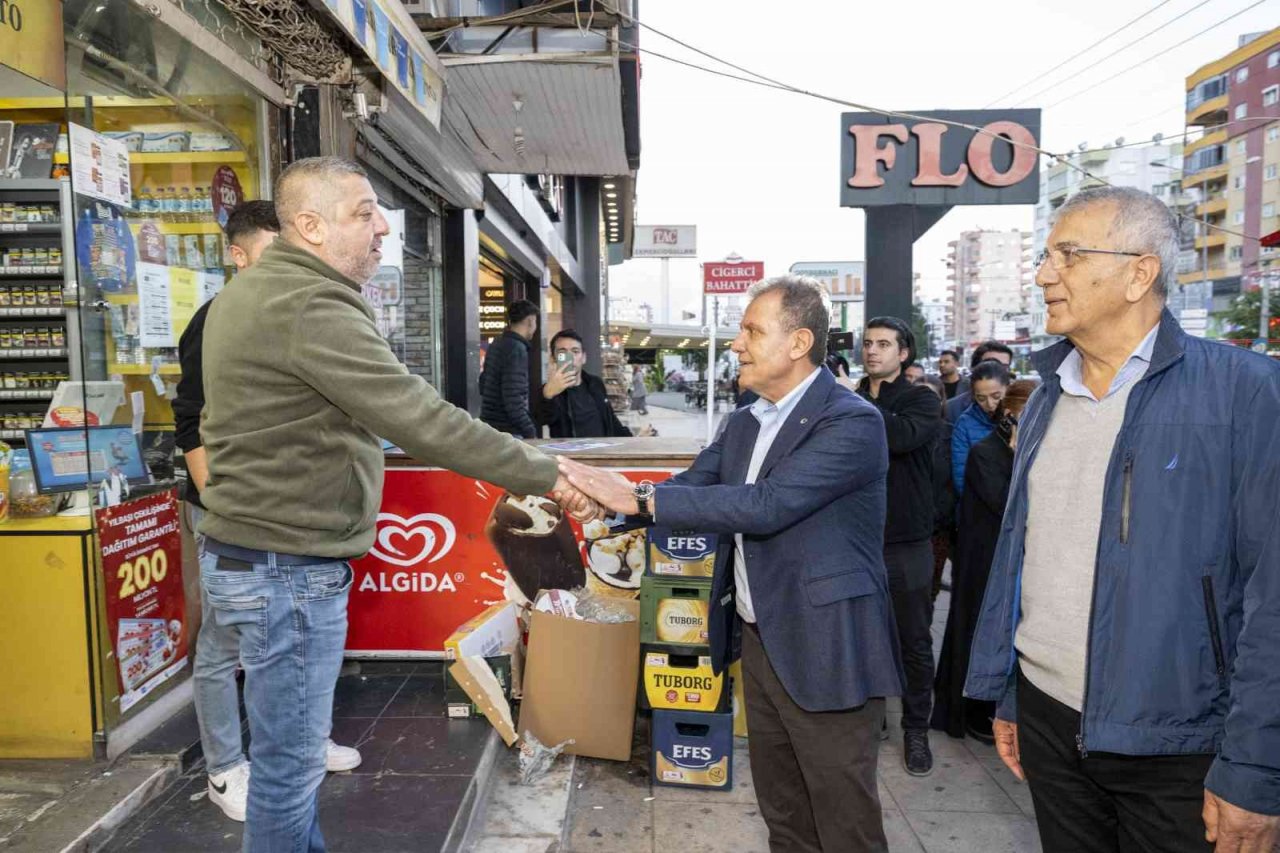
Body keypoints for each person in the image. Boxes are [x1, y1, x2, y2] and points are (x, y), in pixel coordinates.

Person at [198, 156, 589, 853]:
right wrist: (550, 471)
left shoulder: (260, 292)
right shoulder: (308, 303)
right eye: (364, 212)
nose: (383, 227)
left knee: (289, 768)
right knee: (288, 773)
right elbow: (423, 419)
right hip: (284, 571)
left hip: (264, 561)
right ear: (310, 226)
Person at [965, 186, 1280, 853]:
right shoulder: (1050, 394)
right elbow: (1030, 556)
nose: (1045, 273)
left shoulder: (1247, 393)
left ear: (1140, 272)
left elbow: (1272, 598)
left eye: (1069, 255)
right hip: (1051, 724)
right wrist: (1014, 694)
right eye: (1046, 255)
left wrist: (1256, 765)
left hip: (1182, 744)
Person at [559, 275, 903, 853]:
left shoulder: (851, 421)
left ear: (797, 343)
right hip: (759, 636)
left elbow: (768, 505)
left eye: (751, 331)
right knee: (784, 812)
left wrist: (636, 498)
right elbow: (692, 488)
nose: (737, 344)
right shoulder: (746, 417)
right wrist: (608, 503)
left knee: (845, 823)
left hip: (827, 645)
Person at [174, 201, 363, 822]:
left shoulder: (284, 309)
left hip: (273, 521)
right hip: (231, 517)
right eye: (269, 250)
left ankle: (303, 740)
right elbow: (189, 418)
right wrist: (218, 499)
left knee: (290, 646)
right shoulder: (220, 317)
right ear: (238, 255)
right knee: (223, 646)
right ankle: (226, 767)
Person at [856, 317, 942, 776]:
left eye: (884, 344)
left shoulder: (920, 401)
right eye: (868, 343)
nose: (873, 351)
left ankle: (916, 729)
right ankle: (871, 722)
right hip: (856, 540)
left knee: (913, 640)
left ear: (903, 353)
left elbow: (903, 436)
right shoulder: (850, 398)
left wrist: (852, 407)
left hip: (906, 542)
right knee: (860, 635)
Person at [932, 379, 1036, 745]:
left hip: (1017, 562)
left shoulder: (1033, 452)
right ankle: (975, 712)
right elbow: (1011, 506)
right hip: (984, 561)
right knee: (977, 632)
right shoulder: (985, 453)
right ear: (1010, 416)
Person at [534, 330, 632, 438]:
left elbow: (610, 420)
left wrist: (633, 439)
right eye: (563, 353)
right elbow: (539, 419)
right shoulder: (550, 391)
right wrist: (547, 395)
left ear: (583, 357)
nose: (570, 358)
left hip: (601, 452)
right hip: (571, 454)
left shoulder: (595, 384)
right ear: (553, 358)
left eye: (575, 352)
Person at [480, 299, 539, 438]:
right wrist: (530, 431)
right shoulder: (516, 349)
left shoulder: (497, 343)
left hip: (490, 427)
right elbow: (513, 398)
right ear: (530, 322)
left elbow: (483, 383)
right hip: (509, 431)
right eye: (535, 322)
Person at [918, 376, 955, 602]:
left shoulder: (950, 433)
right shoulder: (899, 434)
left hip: (938, 529)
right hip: (905, 531)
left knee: (929, 593)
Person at [950, 361, 1009, 497]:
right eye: (981, 398)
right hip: (979, 507)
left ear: (1008, 387)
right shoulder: (965, 424)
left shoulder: (1024, 416)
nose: (990, 404)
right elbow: (961, 476)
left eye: (996, 396)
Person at [945, 341, 1013, 424]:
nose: (997, 370)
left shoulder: (1023, 406)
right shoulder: (952, 409)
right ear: (974, 369)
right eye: (990, 364)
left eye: (1004, 367)